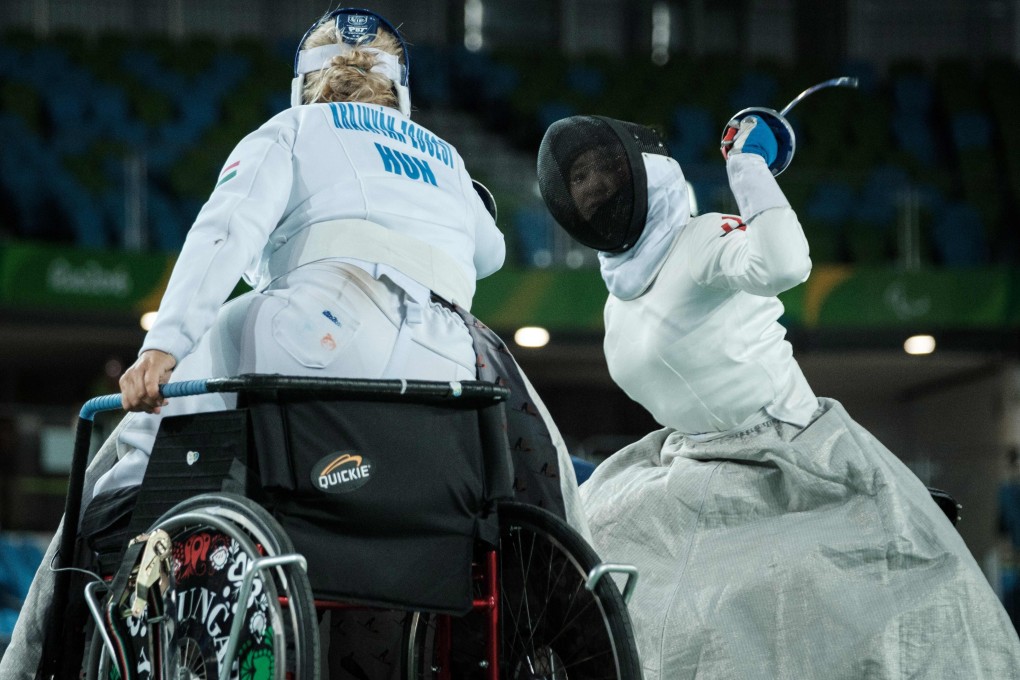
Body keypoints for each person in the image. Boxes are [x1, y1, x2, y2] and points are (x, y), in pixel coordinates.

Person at [2, 9, 586, 679]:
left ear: (303, 84)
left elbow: (225, 230)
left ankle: (45, 643)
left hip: (316, 333)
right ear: (400, 90)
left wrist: (163, 347)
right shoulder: (446, 156)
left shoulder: (291, 129)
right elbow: (492, 255)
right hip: (448, 359)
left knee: (134, 445)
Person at [536, 112, 1020, 679]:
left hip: (788, 455)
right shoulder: (620, 292)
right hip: (694, 458)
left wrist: (749, 166)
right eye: (578, 179)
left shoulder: (701, 238)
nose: (593, 187)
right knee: (596, 538)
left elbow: (785, 263)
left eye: (603, 168)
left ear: (645, 169)